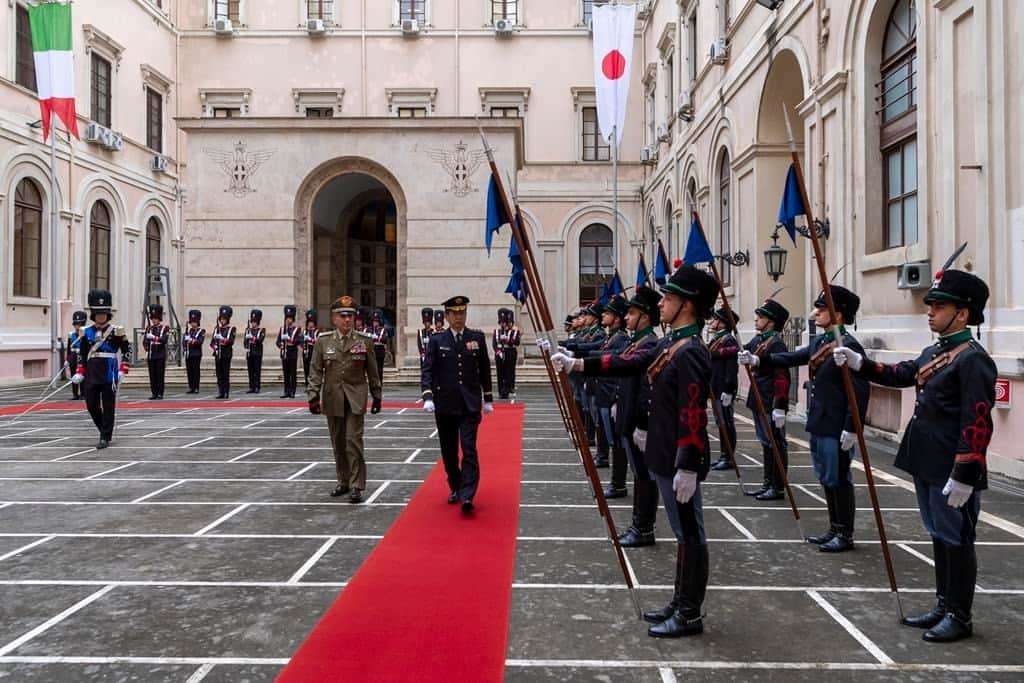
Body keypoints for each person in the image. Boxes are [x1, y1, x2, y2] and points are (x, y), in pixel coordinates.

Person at [551, 265, 718, 638]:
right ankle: (680, 601)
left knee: (690, 533)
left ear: (688, 305)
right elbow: (628, 362)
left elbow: (693, 412)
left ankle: (690, 613)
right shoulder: (670, 343)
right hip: (663, 453)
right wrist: (577, 362)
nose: (663, 303)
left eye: (670, 298)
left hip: (679, 458)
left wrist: (688, 464)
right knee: (681, 532)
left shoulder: (691, 351)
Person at [834, 269, 995, 642]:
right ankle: (943, 604)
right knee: (939, 534)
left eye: (940, 306)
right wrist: (863, 365)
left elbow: (978, 421)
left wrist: (965, 473)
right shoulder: (937, 351)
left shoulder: (973, 359)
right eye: (932, 305)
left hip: (951, 466)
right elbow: (904, 373)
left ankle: (959, 615)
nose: (931, 311)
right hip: (927, 459)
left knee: (957, 539)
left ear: (963, 314)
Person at [745, 287, 870, 552]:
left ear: (838, 314)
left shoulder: (848, 347)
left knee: (839, 478)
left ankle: (844, 533)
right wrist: (758, 359)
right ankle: (833, 528)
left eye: (821, 309)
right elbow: (792, 357)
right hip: (819, 421)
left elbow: (859, 391)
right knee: (826, 477)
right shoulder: (820, 341)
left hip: (836, 425)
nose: (815, 313)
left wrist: (851, 427)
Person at [421, 295, 494, 514]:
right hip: (445, 405)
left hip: (469, 404)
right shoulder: (436, 340)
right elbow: (428, 370)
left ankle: (468, 494)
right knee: (449, 450)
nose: (459, 317)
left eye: (462, 313)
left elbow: (484, 368)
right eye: (455, 313)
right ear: (447, 316)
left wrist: (488, 398)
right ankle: (455, 485)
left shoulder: (476, 338)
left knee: (469, 449)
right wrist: (427, 396)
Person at [307, 295, 383, 503]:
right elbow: (315, 371)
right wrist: (313, 395)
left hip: (356, 397)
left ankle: (357, 485)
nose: (347, 320)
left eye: (350, 316)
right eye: (342, 316)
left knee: (353, 441)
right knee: (338, 442)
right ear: (334, 318)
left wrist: (377, 396)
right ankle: (343, 481)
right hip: (333, 398)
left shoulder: (364, 341)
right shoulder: (323, 342)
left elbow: (373, 371)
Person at [566, 296, 630, 487]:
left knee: (615, 438)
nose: (603, 315)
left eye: (608, 313)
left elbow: (604, 354)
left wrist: (576, 353)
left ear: (617, 318)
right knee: (601, 424)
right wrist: (572, 350)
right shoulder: (611, 336)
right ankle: (602, 456)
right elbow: (594, 349)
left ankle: (617, 481)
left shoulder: (620, 338)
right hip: (598, 386)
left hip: (610, 391)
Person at [738, 298, 791, 501]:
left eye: (761, 317)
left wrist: (780, 406)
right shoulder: (760, 340)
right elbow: (745, 349)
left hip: (770, 400)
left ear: (771, 321)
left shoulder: (776, 343)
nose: (756, 319)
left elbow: (782, 376)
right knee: (766, 443)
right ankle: (767, 482)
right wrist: (741, 354)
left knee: (776, 444)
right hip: (758, 398)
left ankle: (777, 486)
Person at [70, 289, 132, 449]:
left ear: (108, 314)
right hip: (91, 372)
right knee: (91, 405)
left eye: (103, 313)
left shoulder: (116, 331)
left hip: (108, 373)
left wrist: (123, 368)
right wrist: (79, 371)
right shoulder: (86, 332)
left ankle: (105, 436)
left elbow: (127, 350)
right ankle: (104, 429)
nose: (101, 316)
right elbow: (82, 353)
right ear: (93, 314)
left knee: (109, 405)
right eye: (98, 314)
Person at [707, 308, 741, 471]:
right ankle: (723, 455)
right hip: (715, 387)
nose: (712, 322)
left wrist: (729, 388)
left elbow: (731, 368)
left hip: (723, 388)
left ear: (723, 323)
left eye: (715, 319)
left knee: (726, 423)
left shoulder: (728, 340)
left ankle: (728, 457)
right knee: (721, 423)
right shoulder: (718, 339)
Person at [493, 308, 522, 399]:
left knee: (509, 371)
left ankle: (507, 388)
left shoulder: (513, 332)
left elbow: (516, 342)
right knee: (500, 372)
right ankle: (501, 389)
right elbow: (494, 343)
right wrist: (498, 351)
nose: (504, 324)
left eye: (506, 322)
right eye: (502, 322)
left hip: (510, 352)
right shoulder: (497, 331)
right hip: (500, 353)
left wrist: (507, 341)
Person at [141, 303, 169, 400]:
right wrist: (146, 347)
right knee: (152, 375)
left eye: (156, 318)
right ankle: (154, 393)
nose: (154, 320)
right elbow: (144, 341)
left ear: (159, 318)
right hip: (151, 354)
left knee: (159, 375)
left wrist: (154, 338)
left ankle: (160, 393)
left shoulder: (164, 328)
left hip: (160, 354)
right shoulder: (149, 328)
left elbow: (164, 340)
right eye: (152, 318)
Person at [211, 305, 236, 399]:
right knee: (219, 374)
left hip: (226, 353)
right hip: (218, 354)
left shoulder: (231, 329)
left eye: (224, 319)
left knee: (225, 373)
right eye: (221, 319)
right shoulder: (216, 329)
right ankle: (221, 391)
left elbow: (231, 341)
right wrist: (215, 347)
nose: (222, 321)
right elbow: (212, 343)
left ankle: (226, 392)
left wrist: (222, 339)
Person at [277, 306, 301, 398]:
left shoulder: (297, 329)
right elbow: (278, 341)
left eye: (290, 318)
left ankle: (292, 391)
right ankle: (286, 391)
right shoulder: (282, 329)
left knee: (292, 373)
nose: (288, 320)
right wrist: (281, 345)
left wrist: (290, 340)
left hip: (292, 353)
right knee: (286, 373)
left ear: (293, 319)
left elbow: (298, 340)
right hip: (284, 353)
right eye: (287, 318)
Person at [183, 309, 205, 394]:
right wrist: (184, 349)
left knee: (195, 370)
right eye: (191, 322)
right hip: (189, 353)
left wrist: (191, 340)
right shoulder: (188, 331)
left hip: (196, 353)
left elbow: (200, 342)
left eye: (194, 322)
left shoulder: (201, 331)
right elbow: (184, 341)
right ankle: (191, 386)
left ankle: (196, 387)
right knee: (189, 370)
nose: (193, 324)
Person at [244, 309, 266, 394]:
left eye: (255, 322)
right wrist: (246, 346)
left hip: (257, 353)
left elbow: (260, 340)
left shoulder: (262, 330)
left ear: (258, 322)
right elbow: (245, 341)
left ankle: (257, 386)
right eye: (252, 322)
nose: (253, 323)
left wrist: (252, 338)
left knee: (257, 371)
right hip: (250, 353)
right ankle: (251, 386)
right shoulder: (248, 330)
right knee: (250, 371)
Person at [67, 310, 87, 400]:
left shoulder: (86, 334)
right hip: (73, 357)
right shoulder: (71, 335)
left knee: (82, 375)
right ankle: (75, 394)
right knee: (73, 376)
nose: (77, 326)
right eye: (75, 324)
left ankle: (83, 393)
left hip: (82, 357)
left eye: (79, 324)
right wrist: (67, 359)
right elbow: (68, 348)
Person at [370, 310, 389, 385]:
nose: (375, 323)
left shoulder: (383, 330)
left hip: (380, 350)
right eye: (374, 321)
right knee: (372, 369)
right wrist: (377, 338)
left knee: (379, 369)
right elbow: (368, 339)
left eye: (376, 321)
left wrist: (376, 338)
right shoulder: (370, 330)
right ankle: (373, 383)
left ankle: (379, 383)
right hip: (372, 350)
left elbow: (384, 340)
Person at [302, 309, 319, 388]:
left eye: (311, 322)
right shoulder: (305, 332)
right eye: (309, 322)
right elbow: (299, 340)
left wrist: (311, 340)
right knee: (306, 370)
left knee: (313, 370)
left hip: (314, 352)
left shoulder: (317, 332)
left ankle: (313, 385)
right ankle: (307, 385)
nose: (310, 324)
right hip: (306, 352)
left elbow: (319, 342)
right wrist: (303, 343)